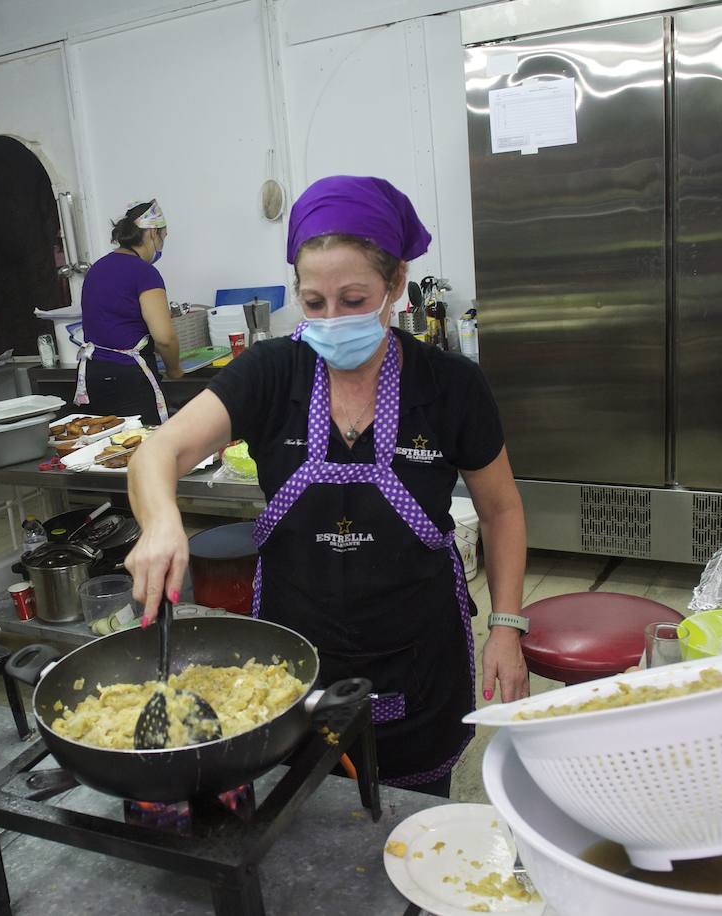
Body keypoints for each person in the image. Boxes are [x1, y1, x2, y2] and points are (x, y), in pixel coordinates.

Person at [125, 177, 530, 795]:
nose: (332, 320)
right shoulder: (271, 371)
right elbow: (158, 451)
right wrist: (160, 521)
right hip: (293, 653)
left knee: (412, 829)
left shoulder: (450, 385)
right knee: (302, 819)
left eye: (353, 298)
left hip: (417, 648)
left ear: (395, 285)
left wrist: (506, 625)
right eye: (313, 303)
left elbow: (500, 510)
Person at [74, 199, 184, 423]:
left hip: (94, 374)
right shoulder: (144, 272)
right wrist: (174, 370)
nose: (162, 243)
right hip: (130, 378)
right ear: (153, 233)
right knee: (144, 448)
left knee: (110, 449)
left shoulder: (97, 268)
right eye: (163, 236)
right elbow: (164, 338)